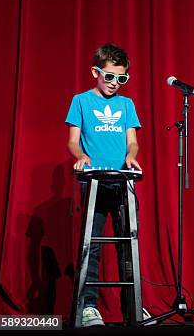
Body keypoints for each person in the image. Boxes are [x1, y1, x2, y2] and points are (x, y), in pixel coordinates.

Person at [66, 43, 146, 326]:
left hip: (122, 182)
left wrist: (131, 157)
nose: (115, 83)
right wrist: (81, 156)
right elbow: (73, 142)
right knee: (94, 246)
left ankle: (134, 307)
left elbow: (132, 142)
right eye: (110, 76)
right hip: (95, 182)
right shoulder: (81, 101)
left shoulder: (127, 105)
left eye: (121, 78)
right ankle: (89, 306)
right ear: (95, 72)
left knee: (128, 245)